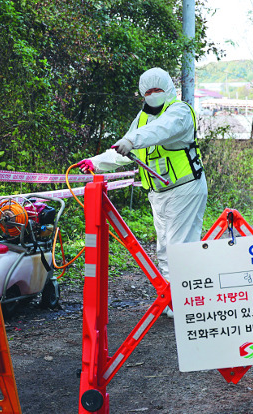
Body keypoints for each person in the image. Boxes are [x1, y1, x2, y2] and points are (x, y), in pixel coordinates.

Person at [77, 68, 208, 317]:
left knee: (180, 248)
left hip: (185, 190)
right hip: (158, 193)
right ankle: (174, 302)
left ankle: (189, 304)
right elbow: (125, 148)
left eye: (157, 90)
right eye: (148, 91)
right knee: (165, 249)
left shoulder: (179, 112)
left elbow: (157, 132)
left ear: (169, 89)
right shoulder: (141, 119)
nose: (153, 95)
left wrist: (132, 141)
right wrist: (95, 162)